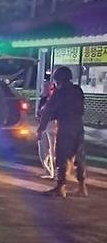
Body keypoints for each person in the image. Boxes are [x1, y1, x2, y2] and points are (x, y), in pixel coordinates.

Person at [37, 66, 87, 198]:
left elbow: (48, 111)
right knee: (79, 156)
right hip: (78, 125)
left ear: (58, 79)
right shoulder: (77, 90)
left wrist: (41, 128)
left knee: (62, 155)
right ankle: (82, 187)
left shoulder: (60, 93)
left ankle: (60, 187)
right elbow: (81, 108)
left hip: (65, 126)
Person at [37, 74, 57, 179]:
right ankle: (48, 171)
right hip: (44, 124)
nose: (44, 90)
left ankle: (55, 174)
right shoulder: (43, 99)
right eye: (43, 88)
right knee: (43, 149)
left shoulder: (55, 99)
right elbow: (39, 113)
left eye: (47, 88)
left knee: (53, 150)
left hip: (52, 124)